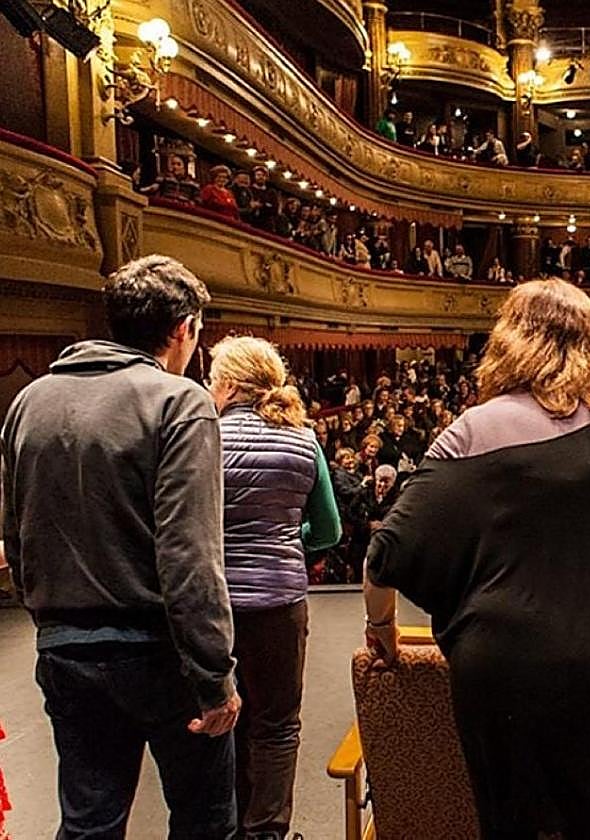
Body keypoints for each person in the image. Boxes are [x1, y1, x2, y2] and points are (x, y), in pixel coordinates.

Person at [362, 279, 590, 840]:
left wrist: (381, 626)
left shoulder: (472, 431)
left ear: (509, 341)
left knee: (509, 827)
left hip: (503, 669)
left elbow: (384, 554)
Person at [1, 255, 241, 838]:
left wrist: (52, 620)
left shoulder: (30, 401)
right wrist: (214, 676)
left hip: (64, 647)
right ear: (183, 327)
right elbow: (190, 556)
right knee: (205, 823)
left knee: (89, 826)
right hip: (162, 653)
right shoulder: (180, 402)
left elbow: (15, 534)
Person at [206, 335, 342, 840]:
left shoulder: (202, 438)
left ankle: (227, 825)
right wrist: (287, 538)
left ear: (229, 385)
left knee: (221, 716)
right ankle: (267, 831)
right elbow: (328, 530)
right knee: (278, 724)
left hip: (213, 605)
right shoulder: (304, 440)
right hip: (279, 604)